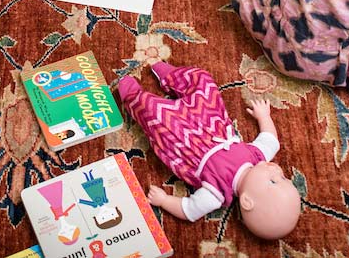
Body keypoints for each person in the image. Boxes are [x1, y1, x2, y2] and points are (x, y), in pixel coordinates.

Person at [119, 62, 301, 240]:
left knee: (155, 114)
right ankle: (172, 77)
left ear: (246, 201)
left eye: (274, 181)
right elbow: (271, 139)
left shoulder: (217, 193)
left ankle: (133, 96)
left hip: (183, 140)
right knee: (203, 80)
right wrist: (264, 117)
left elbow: (189, 210)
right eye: (284, 177)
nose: (277, 170)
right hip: (212, 121)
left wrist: (164, 200)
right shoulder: (257, 157)